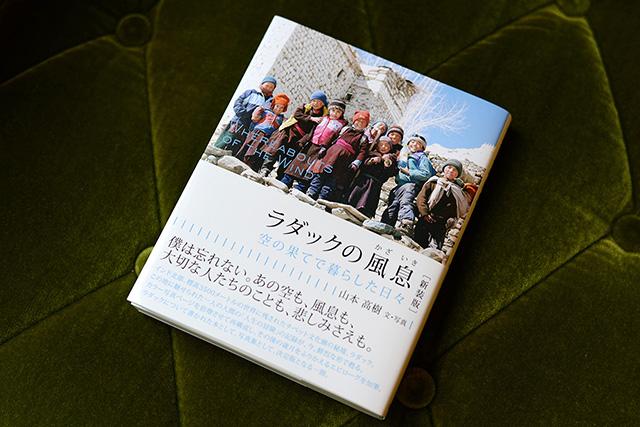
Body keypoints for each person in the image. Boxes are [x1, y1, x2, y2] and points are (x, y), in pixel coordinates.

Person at [280, 99, 347, 191]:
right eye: (333, 110)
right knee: (298, 162)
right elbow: (312, 131)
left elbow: (335, 139)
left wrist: (326, 148)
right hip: (311, 144)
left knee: (310, 167)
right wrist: (304, 141)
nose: (335, 113)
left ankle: (301, 187)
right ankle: (286, 181)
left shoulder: (340, 125)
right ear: (329, 110)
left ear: (342, 114)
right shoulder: (323, 119)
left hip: (321, 149)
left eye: (338, 112)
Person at [259, 90, 328, 178]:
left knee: (288, 155)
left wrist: (302, 142)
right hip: (288, 131)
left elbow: (313, 131)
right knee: (275, 149)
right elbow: (297, 115)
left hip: (299, 138)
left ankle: (280, 176)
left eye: (319, 102)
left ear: (323, 104)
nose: (316, 103)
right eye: (314, 101)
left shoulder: (323, 117)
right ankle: (265, 169)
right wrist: (311, 118)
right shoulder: (304, 107)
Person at [307, 110, 370, 201]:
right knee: (321, 173)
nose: (360, 123)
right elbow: (332, 137)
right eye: (358, 121)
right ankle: (312, 191)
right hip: (331, 154)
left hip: (344, 160)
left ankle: (322, 197)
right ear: (354, 121)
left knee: (333, 179)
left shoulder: (363, 138)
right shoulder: (345, 129)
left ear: (366, 125)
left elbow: (362, 152)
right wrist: (324, 147)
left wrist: (356, 162)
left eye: (363, 122)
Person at [380, 134, 436, 235]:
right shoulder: (405, 156)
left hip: (411, 184)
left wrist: (410, 173)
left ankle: (407, 224)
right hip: (399, 186)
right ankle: (386, 224)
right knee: (392, 205)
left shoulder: (422, 157)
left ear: (422, 147)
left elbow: (426, 174)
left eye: (418, 143)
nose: (414, 144)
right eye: (412, 142)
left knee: (406, 202)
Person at [414, 159, 470, 249]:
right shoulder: (433, 182)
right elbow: (421, 198)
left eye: (454, 170)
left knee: (436, 249)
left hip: (441, 224)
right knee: (418, 244)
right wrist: (425, 213)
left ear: (457, 174)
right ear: (444, 169)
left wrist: (451, 220)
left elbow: (457, 207)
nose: (451, 171)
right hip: (426, 218)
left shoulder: (457, 190)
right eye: (449, 167)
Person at [215, 76, 277, 153]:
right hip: (238, 122)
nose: (268, 88)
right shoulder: (251, 93)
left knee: (235, 148)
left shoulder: (271, 102)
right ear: (262, 84)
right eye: (267, 85)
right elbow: (238, 103)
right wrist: (244, 114)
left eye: (271, 87)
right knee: (223, 142)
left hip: (251, 129)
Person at [347, 135, 398, 218]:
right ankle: (350, 207)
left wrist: (387, 163)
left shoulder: (391, 158)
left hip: (376, 183)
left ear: (390, 148)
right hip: (363, 180)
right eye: (381, 144)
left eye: (386, 145)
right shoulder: (372, 153)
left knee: (369, 199)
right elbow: (363, 164)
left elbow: (391, 172)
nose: (383, 147)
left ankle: (364, 214)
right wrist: (372, 160)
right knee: (356, 195)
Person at [237, 93, 290, 171]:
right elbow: (255, 119)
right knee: (249, 147)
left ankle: (252, 166)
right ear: (273, 105)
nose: (278, 109)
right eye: (277, 106)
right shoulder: (266, 111)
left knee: (258, 151)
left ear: (284, 109)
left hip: (267, 137)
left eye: (281, 108)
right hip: (257, 132)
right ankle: (240, 160)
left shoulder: (281, 118)